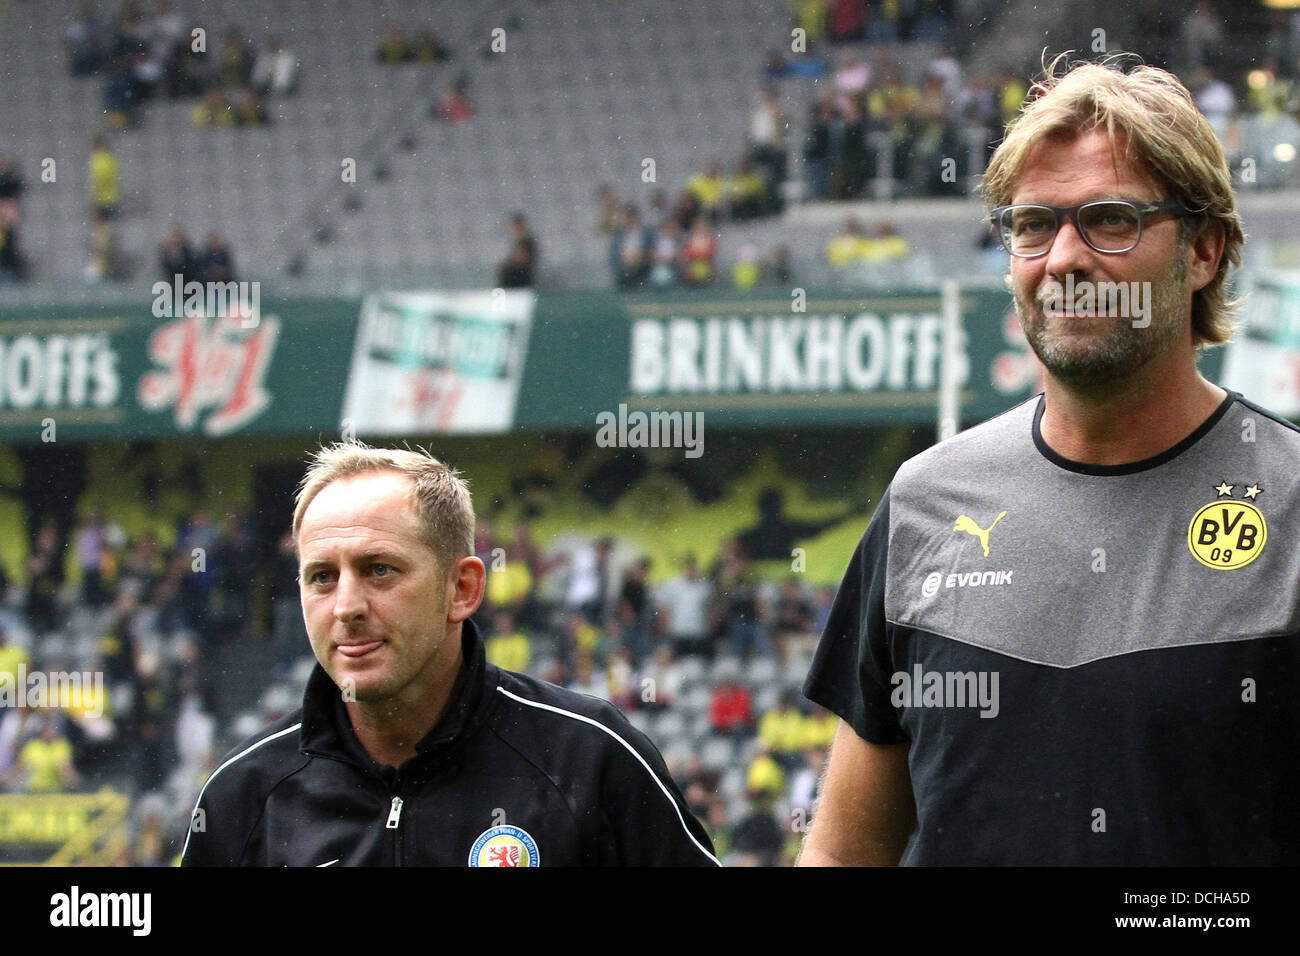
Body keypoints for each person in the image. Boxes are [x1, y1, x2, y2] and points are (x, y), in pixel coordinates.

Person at [800, 54, 1300, 866]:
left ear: (1204, 252)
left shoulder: (1291, 503)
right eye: (1033, 224)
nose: (1063, 258)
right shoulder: (927, 500)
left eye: (1110, 220)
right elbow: (843, 853)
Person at [183, 443, 717, 866]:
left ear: (461, 589)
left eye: (379, 570)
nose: (345, 606)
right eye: (322, 576)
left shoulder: (591, 759)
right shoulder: (243, 793)